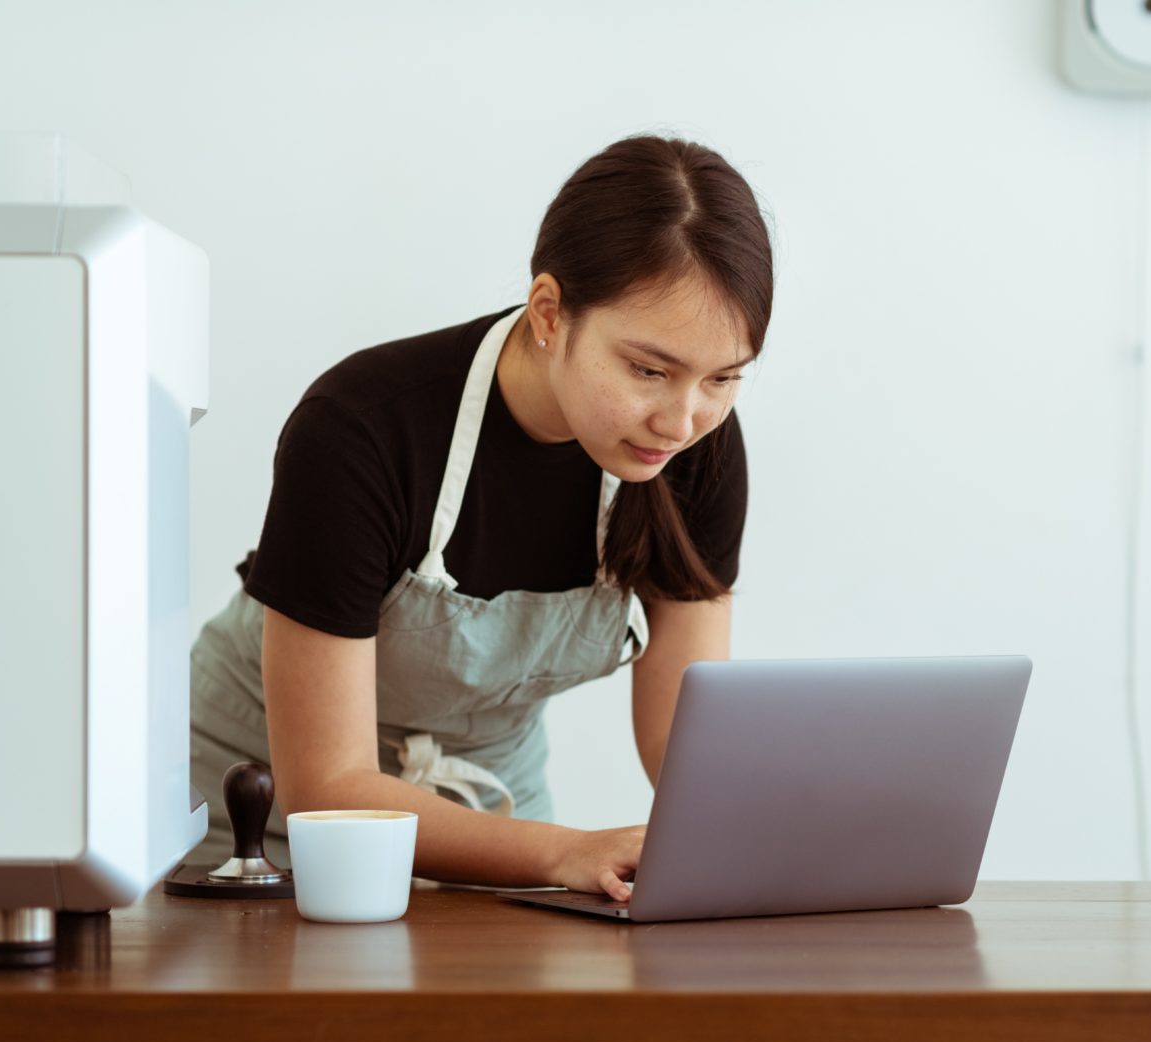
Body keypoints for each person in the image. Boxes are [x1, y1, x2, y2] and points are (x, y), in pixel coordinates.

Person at [187, 135, 772, 901]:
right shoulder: (361, 427)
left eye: (723, 378)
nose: (682, 419)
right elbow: (326, 785)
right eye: (648, 370)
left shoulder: (698, 450)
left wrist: (771, 839)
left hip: (496, 803)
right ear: (550, 314)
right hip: (264, 806)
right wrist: (563, 853)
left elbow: (678, 737)